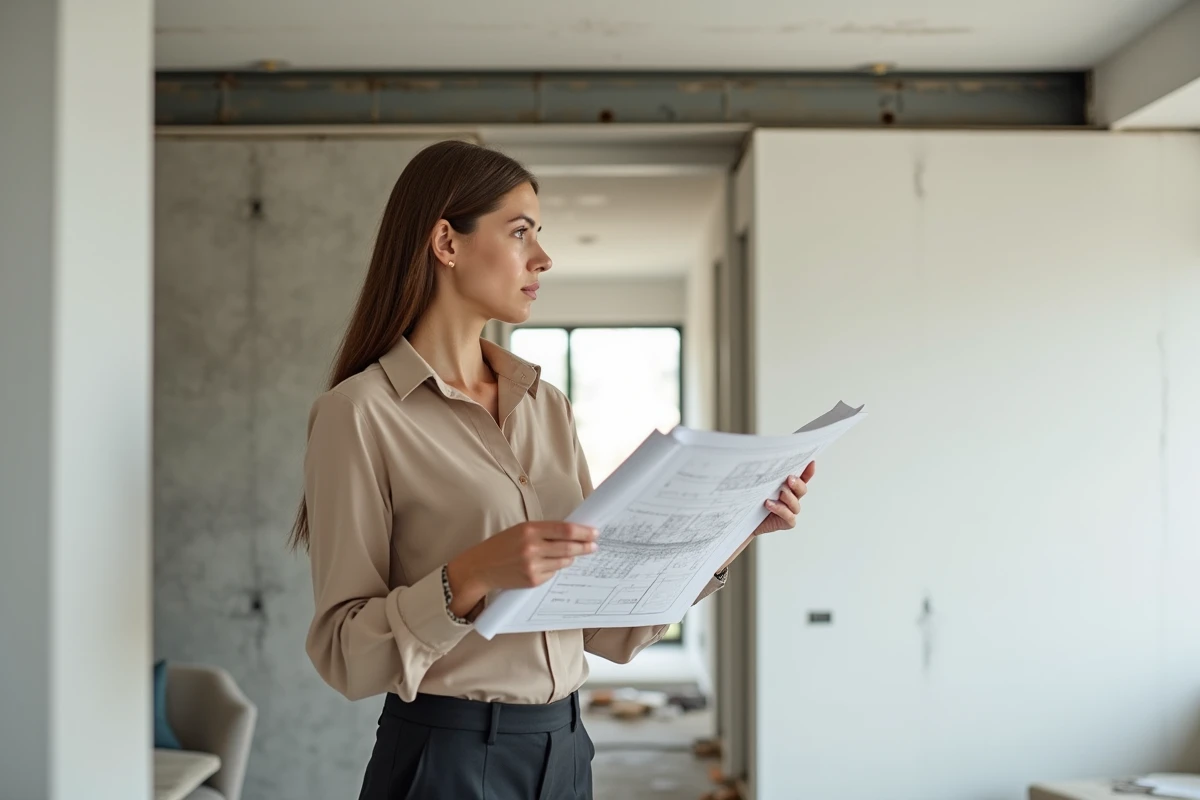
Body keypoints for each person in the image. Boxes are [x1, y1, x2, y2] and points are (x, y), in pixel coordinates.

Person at [291, 140, 815, 800]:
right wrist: (472, 574)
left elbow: (605, 627)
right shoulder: (359, 413)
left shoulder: (546, 405)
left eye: (540, 234)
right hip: (447, 757)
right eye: (519, 233)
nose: (542, 257)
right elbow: (345, 654)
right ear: (446, 243)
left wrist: (734, 529)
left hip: (567, 749)